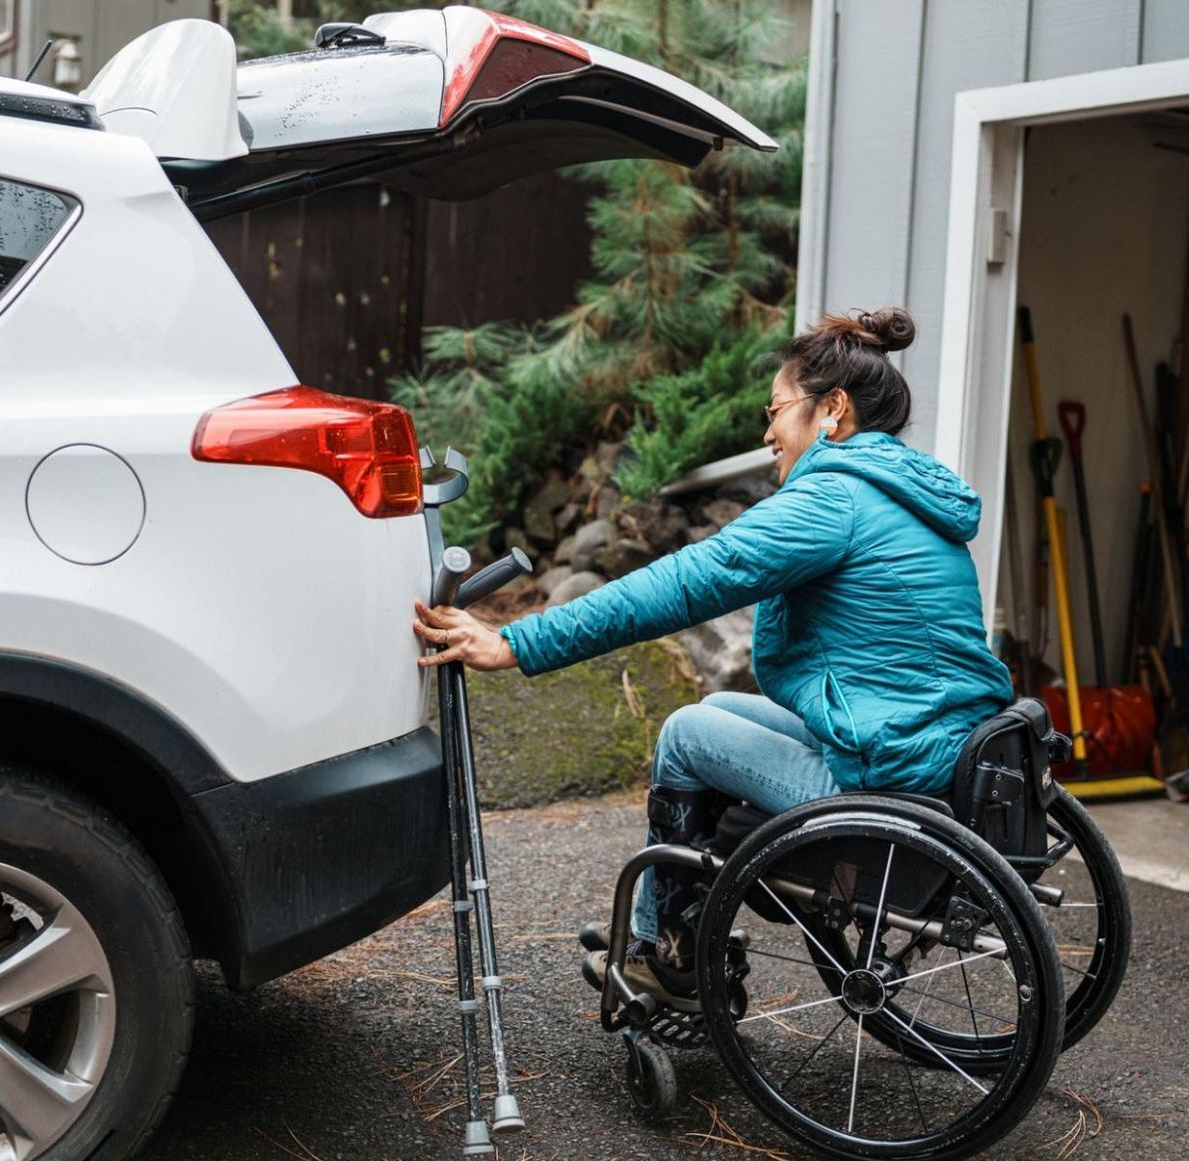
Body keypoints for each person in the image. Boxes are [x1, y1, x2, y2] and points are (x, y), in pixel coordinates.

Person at [410, 306, 1013, 998]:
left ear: (832, 412)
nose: (767, 432)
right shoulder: (901, 494)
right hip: (943, 753)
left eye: (777, 410)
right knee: (723, 706)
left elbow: (691, 581)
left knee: (688, 732)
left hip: (893, 781)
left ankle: (670, 957)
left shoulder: (834, 500)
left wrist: (517, 640)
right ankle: (672, 927)